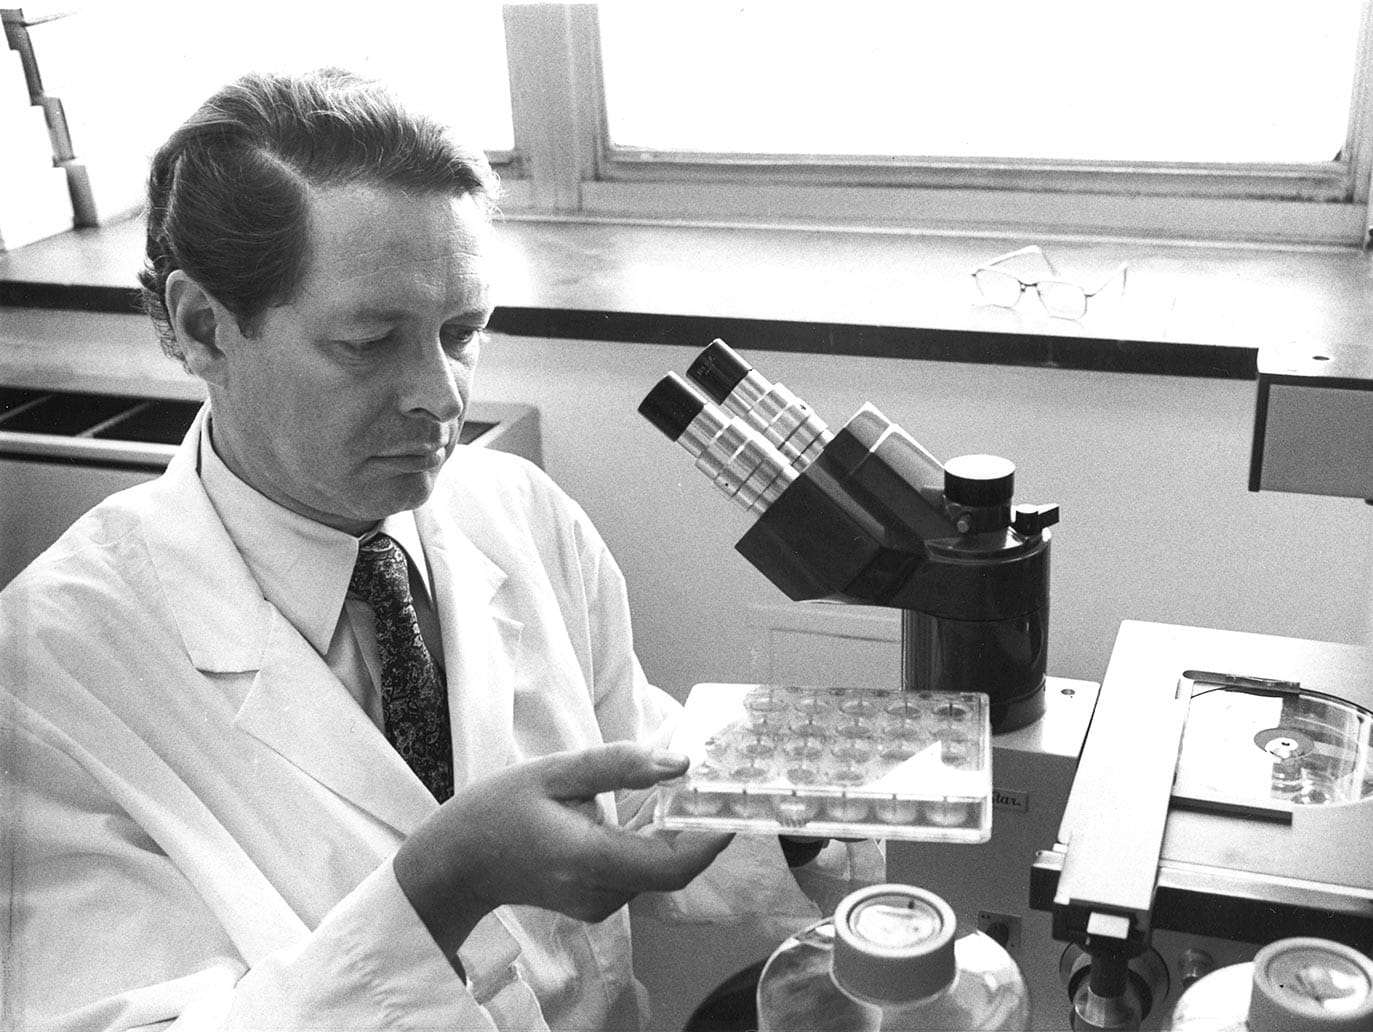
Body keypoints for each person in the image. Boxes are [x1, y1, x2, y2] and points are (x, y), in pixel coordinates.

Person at [0, 68, 875, 1031]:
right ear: (206, 326)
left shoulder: (518, 513)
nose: (443, 396)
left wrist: (808, 804)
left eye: (462, 333)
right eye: (372, 341)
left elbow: (631, 773)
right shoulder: (47, 669)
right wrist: (439, 886)